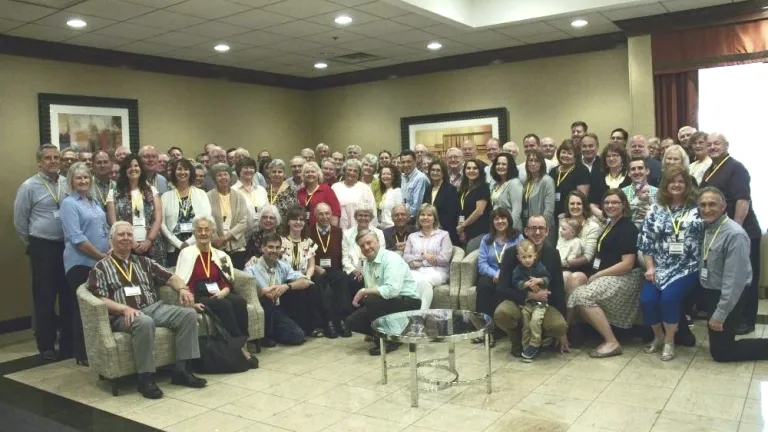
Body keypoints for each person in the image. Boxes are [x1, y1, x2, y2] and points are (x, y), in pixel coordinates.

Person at [87, 221, 207, 399]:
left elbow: (171, 277)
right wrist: (123, 308)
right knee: (144, 322)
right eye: (121, 235)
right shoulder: (101, 267)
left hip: (153, 307)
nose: (126, 238)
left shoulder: (144, 262)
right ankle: (145, 378)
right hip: (124, 315)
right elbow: (98, 298)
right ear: (111, 239)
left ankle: (181, 371)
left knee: (188, 314)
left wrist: (182, 288)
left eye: (129, 234)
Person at [174, 216, 257, 369]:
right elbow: (183, 281)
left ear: (213, 232)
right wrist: (192, 303)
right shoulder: (187, 253)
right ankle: (239, 349)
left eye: (207, 230)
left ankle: (243, 343)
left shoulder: (220, 255)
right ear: (195, 232)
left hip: (218, 292)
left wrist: (225, 291)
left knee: (239, 302)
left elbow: (226, 279)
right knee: (224, 305)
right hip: (199, 295)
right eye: (200, 230)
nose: (204, 233)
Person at [638, 167, 703, 361]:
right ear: (665, 185)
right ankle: (658, 337)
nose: (676, 185)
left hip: (688, 266)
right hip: (659, 265)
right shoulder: (656, 208)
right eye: (672, 181)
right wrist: (650, 267)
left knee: (669, 299)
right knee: (647, 300)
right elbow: (646, 241)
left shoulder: (697, 209)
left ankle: (669, 341)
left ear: (687, 185)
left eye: (681, 181)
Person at [696, 187, 768, 362]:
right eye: (703, 205)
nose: (707, 209)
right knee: (718, 343)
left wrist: (721, 313)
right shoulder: (707, 227)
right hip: (711, 290)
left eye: (712, 204)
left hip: (729, 295)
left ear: (724, 207)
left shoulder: (735, 234)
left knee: (722, 353)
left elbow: (734, 281)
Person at [700, 132, 762, 335]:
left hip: (742, 231)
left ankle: (747, 320)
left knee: (744, 277)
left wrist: (735, 230)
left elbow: (742, 201)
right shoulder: (710, 169)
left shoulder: (736, 168)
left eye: (717, 143)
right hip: (721, 231)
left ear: (727, 145)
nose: (712, 147)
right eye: (708, 144)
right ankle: (730, 316)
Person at [568, 189, 641, 358]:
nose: (610, 206)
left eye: (614, 202)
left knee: (582, 296)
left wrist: (598, 275)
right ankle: (572, 331)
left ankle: (611, 341)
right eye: (607, 202)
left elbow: (627, 264)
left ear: (623, 205)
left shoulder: (628, 227)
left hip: (624, 277)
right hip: (605, 273)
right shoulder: (609, 224)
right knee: (575, 281)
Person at [14, 145, 71, 361]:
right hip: (43, 247)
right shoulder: (29, 187)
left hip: (66, 246)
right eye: (48, 158)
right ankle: (46, 345)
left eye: (56, 157)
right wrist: (33, 244)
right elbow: (20, 221)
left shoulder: (67, 183)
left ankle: (67, 342)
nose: (53, 161)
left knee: (67, 295)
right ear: (39, 162)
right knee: (45, 297)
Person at [494, 215, 568, 357]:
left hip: (542, 305)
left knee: (559, 326)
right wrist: (529, 295)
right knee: (502, 313)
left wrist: (563, 334)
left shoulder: (553, 254)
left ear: (547, 232)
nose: (537, 232)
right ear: (526, 231)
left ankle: (540, 340)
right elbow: (501, 288)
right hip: (517, 302)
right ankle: (517, 341)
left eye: (541, 228)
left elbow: (558, 290)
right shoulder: (511, 253)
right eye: (533, 228)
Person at [59, 162, 110, 365]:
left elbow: (105, 227)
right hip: (80, 263)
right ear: (71, 180)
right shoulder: (69, 204)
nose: (83, 181)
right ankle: (82, 353)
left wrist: (110, 250)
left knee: (99, 307)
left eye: (86, 178)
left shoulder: (94, 201)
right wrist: (100, 256)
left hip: (100, 261)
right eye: (78, 178)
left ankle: (98, 350)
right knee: (83, 308)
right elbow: (76, 238)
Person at [345, 229, 421, 355]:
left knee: (370, 299)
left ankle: (389, 340)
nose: (366, 247)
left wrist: (363, 291)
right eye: (362, 246)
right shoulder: (367, 262)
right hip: (386, 301)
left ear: (378, 242)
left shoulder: (392, 259)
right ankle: (387, 334)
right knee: (351, 322)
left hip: (407, 302)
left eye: (369, 243)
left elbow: (392, 290)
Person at [245, 232, 310, 347]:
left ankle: (277, 332)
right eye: (270, 247)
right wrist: (263, 291)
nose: (274, 250)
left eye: (277, 247)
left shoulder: (282, 265)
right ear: (262, 248)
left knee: (298, 336)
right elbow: (247, 291)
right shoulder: (251, 268)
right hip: (261, 308)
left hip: (278, 308)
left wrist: (286, 286)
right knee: (267, 298)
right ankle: (266, 336)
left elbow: (306, 281)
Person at [474, 208, 522, 345]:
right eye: (496, 219)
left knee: (502, 288)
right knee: (483, 285)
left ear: (509, 220)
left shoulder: (518, 238)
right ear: (492, 222)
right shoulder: (486, 239)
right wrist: (495, 274)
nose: (500, 221)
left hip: (511, 276)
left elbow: (522, 260)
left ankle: (495, 331)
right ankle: (486, 330)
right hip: (492, 275)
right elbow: (482, 264)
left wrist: (504, 275)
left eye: (503, 218)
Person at [278, 206, 328, 337]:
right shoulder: (280, 241)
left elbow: (311, 265)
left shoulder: (308, 242)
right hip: (285, 279)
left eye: (301, 220)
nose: (298, 222)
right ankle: (305, 327)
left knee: (312, 286)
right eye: (295, 219)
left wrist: (307, 277)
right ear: (288, 221)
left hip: (303, 277)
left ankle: (317, 326)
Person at [107, 154, 165, 265]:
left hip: (152, 244)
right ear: (124, 170)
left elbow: (158, 218)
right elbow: (113, 222)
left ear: (141, 169)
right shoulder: (114, 193)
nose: (133, 169)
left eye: (136, 165)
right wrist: (131, 241)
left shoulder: (152, 190)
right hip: (125, 243)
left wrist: (149, 240)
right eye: (129, 166)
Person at [308, 203, 351, 338]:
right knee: (319, 283)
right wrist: (314, 268)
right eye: (320, 214)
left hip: (334, 269)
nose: (324, 217)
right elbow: (305, 256)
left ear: (331, 215)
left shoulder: (338, 231)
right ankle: (328, 322)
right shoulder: (309, 231)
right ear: (315, 216)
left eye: (327, 213)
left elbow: (343, 253)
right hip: (316, 270)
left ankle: (342, 320)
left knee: (342, 278)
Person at [161, 158, 211, 266]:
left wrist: (189, 242)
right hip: (174, 247)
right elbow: (162, 224)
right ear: (174, 172)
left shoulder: (201, 194)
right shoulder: (166, 196)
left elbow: (206, 220)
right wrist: (178, 243)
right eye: (179, 169)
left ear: (191, 172)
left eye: (186, 169)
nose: (182, 172)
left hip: (197, 244)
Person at [402, 204, 453, 309]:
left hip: (438, 270)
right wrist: (424, 255)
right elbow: (406, 257)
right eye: (422, 215)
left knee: (424, 282)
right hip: (415, 270)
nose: (425, 217)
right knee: (409, 280)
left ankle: (421, 314)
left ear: (435, 218)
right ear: (418, 218)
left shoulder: (444, 235)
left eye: (429, 215)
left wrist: (423, 262)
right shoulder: (412, 237)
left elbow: (444, 258)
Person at [511, 239, 552, 361]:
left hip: (540, 303)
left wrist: (539, 280)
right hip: (527, 303)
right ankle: (525, 345)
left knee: (535, 321)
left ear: (535, 255)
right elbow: (515, 283)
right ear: (519, 257)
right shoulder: (518, 270)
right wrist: (524, 284)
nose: (527, 260)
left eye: (530, 256)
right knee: (525, 322)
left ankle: (535, 344)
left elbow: (548, 278)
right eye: (524, 257)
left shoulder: (539, 267)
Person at [207, 163, 249, 270]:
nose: (223, 177)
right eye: (219, 175)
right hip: (216, 246)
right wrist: (216, 238)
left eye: (225, 174)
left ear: (230, 177)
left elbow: (243, 221)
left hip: (237, 246)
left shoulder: (239, 196)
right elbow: (206, 220)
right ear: (214, 179)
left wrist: (225, 237)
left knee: (238, 277)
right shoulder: (208, 196)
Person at [560, 190, 602, 292]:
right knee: (561, 276)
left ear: (584, 205)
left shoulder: (593, 226)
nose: (575, 206)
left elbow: (587, 257)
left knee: (573, 278)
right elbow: (561, 246)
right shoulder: (563, 222)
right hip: (564, 265)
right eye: (572, 203)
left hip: (584, 268)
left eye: (579, 203)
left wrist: (564, 263)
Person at [342, 206, 385, 302]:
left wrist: (365, 270)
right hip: (354, 270)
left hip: (373, 268)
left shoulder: (379, 233)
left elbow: (381, 255)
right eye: (360, 215)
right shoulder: (347, 234)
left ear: (371, 218)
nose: (363, 218)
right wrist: (354, 270)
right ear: (355, 217)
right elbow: (345, 258)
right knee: (352, 280)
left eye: (366, 215)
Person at [550, 139, 590, 222]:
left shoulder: (581, 170)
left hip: (572, 215)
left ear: (575, 156)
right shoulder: (553, 171)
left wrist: (569, 214)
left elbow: (582, 197)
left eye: (569, 153)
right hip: (553, 215)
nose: (566, 155)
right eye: (563, 152)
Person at [589, 142, 631, 223]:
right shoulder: (599, 177)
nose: (611, 158)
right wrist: (603, 216)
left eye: (615, 155)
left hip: (625, 220)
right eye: (608, 156)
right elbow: (593, 204)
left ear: (622, 158)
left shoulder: (629, 176)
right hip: (602, 221)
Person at [422, 160, 460, 245]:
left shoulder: (450, 189)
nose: (435, 172)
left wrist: (436, 227)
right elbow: (424, 208)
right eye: (432, 170)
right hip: (429, 230)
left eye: (438, 170)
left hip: (445, 231)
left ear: (443, 173)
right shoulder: (428, 189)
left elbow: (451, 213)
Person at [333, 158, 377, 230]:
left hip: (360, 230)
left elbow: (372, 212)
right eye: (349, 170)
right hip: (339, 229)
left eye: (355, 171)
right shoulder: (335, 187)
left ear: (359, 173)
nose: (352, 172)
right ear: (344, 171)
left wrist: (371, 231)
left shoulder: (365, 188)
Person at [457, 159, 491, 252]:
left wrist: (463, 225)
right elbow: (462, 210)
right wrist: (461, 230)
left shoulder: (483, 187)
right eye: (468, 168)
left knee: (470, 256)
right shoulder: (464, 189)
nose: (471, 171)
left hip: (480, 231)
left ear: (480, 171)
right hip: (466, 231)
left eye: (475, 168)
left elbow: (479, 211)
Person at [297, 161, 341, 227]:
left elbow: (335, 213)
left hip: (322, 230)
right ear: (303, 175)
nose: (310, 174)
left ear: (318, 174)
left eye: (313, 172)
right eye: (307, 172)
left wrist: (331, 232)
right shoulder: (300, 192)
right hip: (303, 229)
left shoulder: (327, 190)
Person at [520, 151, 555, 232]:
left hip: (543, 228)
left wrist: (541, 227)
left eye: (536, 161)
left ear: (541, 163)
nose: (533, 163)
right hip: (529, 226)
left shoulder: (547, 180)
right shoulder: (527, 181)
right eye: (530, 160)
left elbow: (549, 209)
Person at [622, 157, 659, 226]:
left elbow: (663, 216)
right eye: (633, 169)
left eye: (640, 168)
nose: (636, 172)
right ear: (629, 174)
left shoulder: (658, 193)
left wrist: (651, 214)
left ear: (647, 171)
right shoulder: (622, 193)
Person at [490, 153, 523, 231]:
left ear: (510, 166)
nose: (500, 166)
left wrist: (509, 229)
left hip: (511, 228)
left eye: (504, 164)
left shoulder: (514, 183)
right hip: (499, 226)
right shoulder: (496, 184)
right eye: (498, 164)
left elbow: (517, 210)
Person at [400, 149, 430, 222]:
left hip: (415, 221)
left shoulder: (420, 178)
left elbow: (416, 208)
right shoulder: (403, 177)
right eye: (403, 162)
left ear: (415, 162)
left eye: (409, 162)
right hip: (405, 218)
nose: (405, 165)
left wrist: (401, 212)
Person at [377, 165, 403, 229]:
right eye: (383, 174)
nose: (385, 176)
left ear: (394, 176)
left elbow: (399, 213)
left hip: (393, 227)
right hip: (383, 228)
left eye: (388, 174)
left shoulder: (397, 191)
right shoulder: (385, 191)